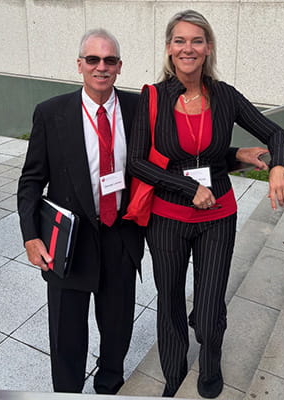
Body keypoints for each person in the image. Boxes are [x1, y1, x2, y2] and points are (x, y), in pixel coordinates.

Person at [17, 28, 264, 394]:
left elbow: (179, 157)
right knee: (67, 334)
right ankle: (67, 394)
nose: (101, 67)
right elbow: (31, 180)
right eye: (93, 59)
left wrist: (235, 155)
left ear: (119, 67)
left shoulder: (140, 107)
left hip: (122, 235)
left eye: (110, 60)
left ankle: (109, 386)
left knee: (117, 329)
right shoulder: (51, 113)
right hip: (70, 240)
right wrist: (31, 236)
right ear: (80, 65)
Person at [128, 10, 284, 399]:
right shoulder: (153, 96)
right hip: (167, 218)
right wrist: (187, 188)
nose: (188, 48)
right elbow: (136, 162)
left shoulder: (225, 96)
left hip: (218, 216)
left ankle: (210, 357)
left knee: (209, 307)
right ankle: (173, 372)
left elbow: (276, 133)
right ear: (169, 48)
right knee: (170, 300)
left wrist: (279, 166)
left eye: (196, 40)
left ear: (209, 48)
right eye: (180, 40)